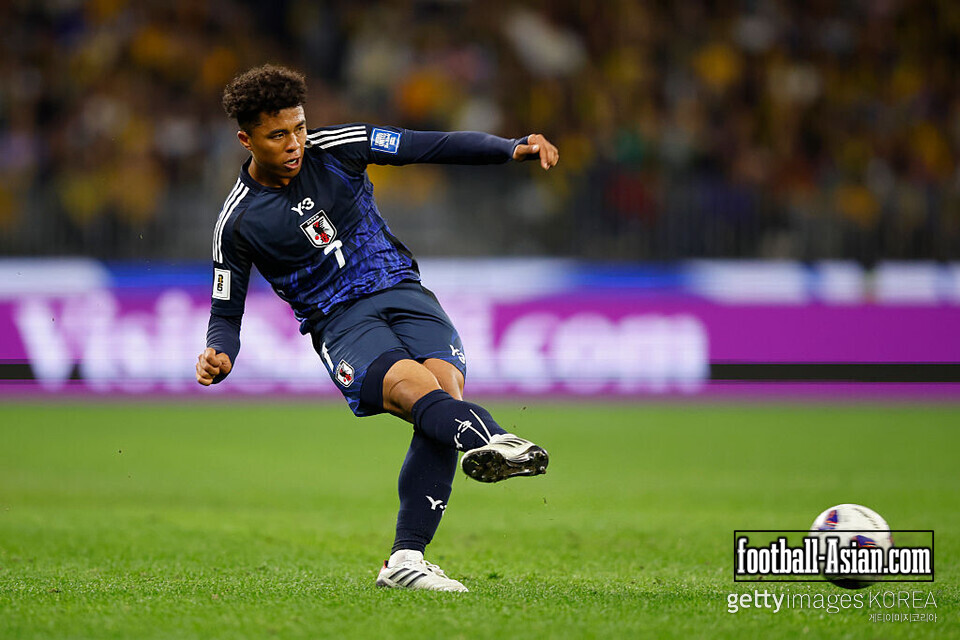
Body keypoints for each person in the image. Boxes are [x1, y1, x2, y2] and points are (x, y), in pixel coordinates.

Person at [195, 64, 558, 592]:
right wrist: (218, 352)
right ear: (245, 138)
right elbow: (225, 313)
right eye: (278, 135)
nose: (295, 142)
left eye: (298, 127)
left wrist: (509, 147)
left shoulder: (339, 147)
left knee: (443, 396)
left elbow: (427, 147)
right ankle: (498, 439)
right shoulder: (239, 222)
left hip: (404, 292)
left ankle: (405, 560)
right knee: (418, 392)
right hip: (341, 322)